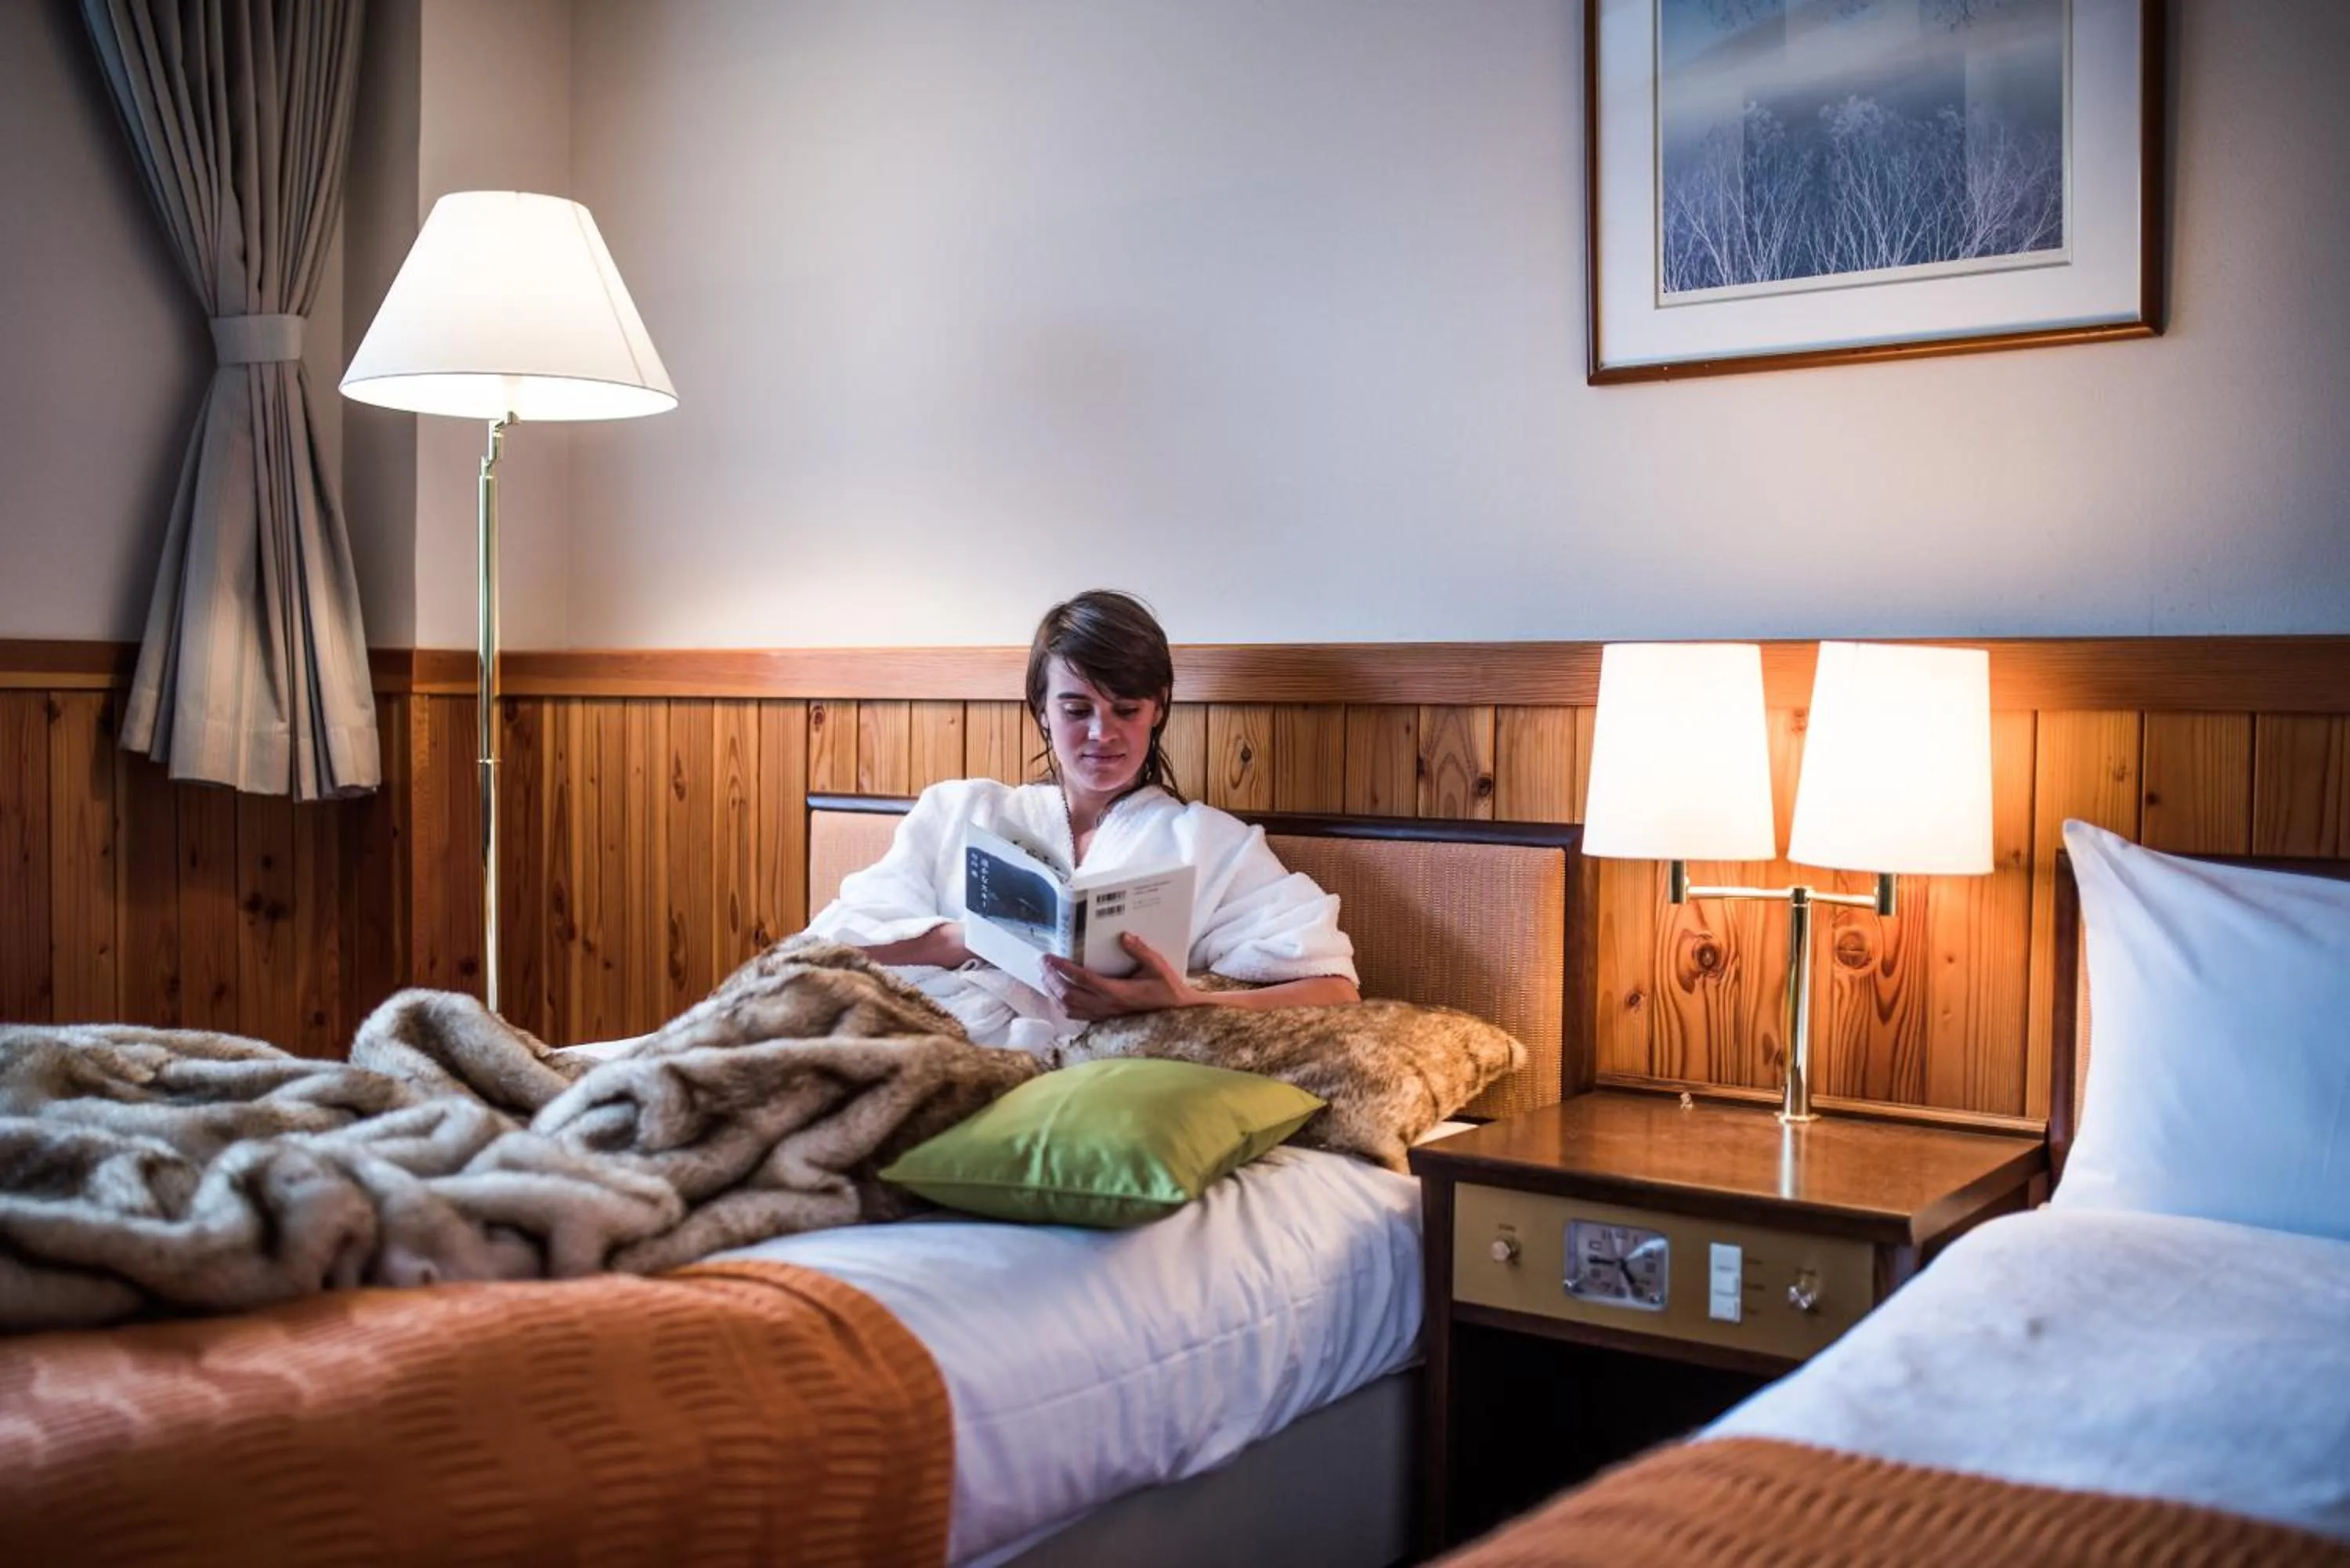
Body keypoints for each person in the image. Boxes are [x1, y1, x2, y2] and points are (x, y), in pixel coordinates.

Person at [805, 590, 1360, 1053]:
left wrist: (1183, 1000)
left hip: (1088, 1078)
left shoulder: (1209, 842)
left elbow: (1334, 989)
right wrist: (978, 936)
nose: (1103, 734)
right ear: (1041, 708)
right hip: (924, 1044)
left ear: (1159, 708)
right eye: (1076, 710)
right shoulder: (960, 811)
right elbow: (832, 946)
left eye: (1127, 709)